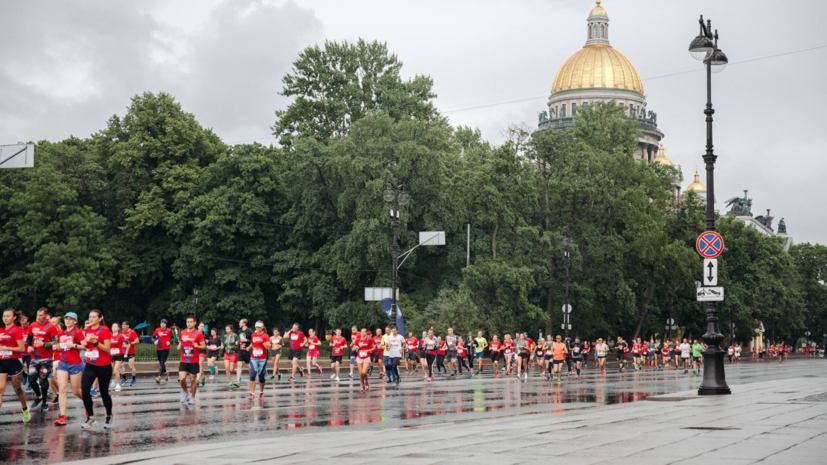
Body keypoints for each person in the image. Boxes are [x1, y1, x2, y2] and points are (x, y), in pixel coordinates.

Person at [81, 309, 114, 429]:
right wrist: (82, 345)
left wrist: (95, 343)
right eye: (90, 317)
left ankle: (109, 416)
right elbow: (84, 345)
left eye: (94, 317)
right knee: (84, 391)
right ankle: (90, 417)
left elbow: (107, 349)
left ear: (100, 319)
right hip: (90, 365)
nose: (91, 319)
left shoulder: (104, 330)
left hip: (104, 365)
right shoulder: (86, 330)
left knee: (104, 392)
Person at [53, 312, 85, 426]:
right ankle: (63, 416)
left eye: (71, 319)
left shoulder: (77, 333)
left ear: (75, 321)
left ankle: (88, 403)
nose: (68, 321)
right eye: (66, 319)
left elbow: (85, 346)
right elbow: (58, 347)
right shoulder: (60, 333)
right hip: (63, 363)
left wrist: (74, 346)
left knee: (75, 391)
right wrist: (55, 347)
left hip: (75, 364)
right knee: (62, 390)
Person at [1, 308, 31, 423]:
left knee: (17, 389)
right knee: (0, 389)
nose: (5, 318)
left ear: (14, 317)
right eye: (4, 316)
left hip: (14, 362)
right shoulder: (1, 330)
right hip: (2, 362)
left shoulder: (16, 330)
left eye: (8, 316)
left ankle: (25, 408)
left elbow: (21, 348)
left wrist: (5, 348)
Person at [27, 307, 59, 411]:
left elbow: (55, 342)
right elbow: (29, 338)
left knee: (43, 380)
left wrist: (44, 344)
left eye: (41, 315)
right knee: (31, 379)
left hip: (46, 358)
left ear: (46, 316)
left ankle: (44, 402)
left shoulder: (51, 327)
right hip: (34, 357)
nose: (39, 317)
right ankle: (39, 396)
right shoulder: (32, 325)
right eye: (38, 315)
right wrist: (29, 346)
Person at [178, 315, 206, 405]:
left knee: (192, 379)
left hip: (193, 360)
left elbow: (204, 346)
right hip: (184, 359)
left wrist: (197, 346)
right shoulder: (182, 332)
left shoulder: (198, 333)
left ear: (194, 323)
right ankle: (186, 392)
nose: (189, 323)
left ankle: (193, 397)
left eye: (190, 322)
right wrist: (179, 345)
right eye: (187, 322)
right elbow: (181, 342)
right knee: (182, 379)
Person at [248, 321, 271, 399]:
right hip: (253, 358)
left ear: (262, 327)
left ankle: (261, 392)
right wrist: (249, 347)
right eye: (256, 327)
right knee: (252, 374)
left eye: (258, 327)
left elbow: (268, 347)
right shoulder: (253, 335)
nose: (257, 328)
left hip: (262, 359)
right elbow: (253, 343)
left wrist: (262, 340)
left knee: (261, 376)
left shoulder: (265, 336)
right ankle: (252, 393)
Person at [353, 328, 374, 392]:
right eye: (362, 332)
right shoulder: (357, 340)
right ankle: (362, 385)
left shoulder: (369, 340)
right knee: (360, 373)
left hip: (366, 357)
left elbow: (373, 347)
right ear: (360, 333)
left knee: (364, 372)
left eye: (364, 332)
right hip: (359, 357)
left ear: (366, 333)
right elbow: (353, 348)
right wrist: (355, 348)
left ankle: (366, 382)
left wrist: (368, 350)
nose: (363, 333)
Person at [152, 319, 172, 384]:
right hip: (159, 348)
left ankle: (159, 377)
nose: (162, 324)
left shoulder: (169, 330)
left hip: (166, 348)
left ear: (166, 324)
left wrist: (169, 342)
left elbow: (172, 337)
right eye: (161, 323)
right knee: (161, 363)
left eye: (164, 323)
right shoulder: (157, 330)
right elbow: (153, 337)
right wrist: (154, 341)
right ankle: (166, 373)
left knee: (162, 361)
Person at [120, 321, 139, 387]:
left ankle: (134, 379)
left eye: (125, 325)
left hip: (130, 352)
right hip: (123, 351)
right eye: (122, 325)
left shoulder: (132, 332)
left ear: (128, 326)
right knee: (120, 365)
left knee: (131, 366)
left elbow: (137, 341)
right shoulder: (121, 332)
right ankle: (124, 378)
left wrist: (130, 343)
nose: (123, 327)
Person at [236, 319, 254, 386]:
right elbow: (239, 339)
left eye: (240, 322)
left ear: (244, 323)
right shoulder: (239, 331)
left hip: (247, 350)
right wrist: (237, 342)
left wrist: (247, 340)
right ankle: (238, 380)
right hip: (240, 349)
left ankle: (252, 378)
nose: (239, 324)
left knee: (248, 365)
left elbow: (253, 340)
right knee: (239, 365)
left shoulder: (249, 330)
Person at [109, 323, 125, 392]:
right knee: (110, 370)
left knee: (116, 370)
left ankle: (118, 384)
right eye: (112, 327)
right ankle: (113, 380)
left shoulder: (120, 336)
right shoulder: (109, 336)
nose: (113, 328)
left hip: (119, 355)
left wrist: (125, 352)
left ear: (118, 328)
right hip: (111, 355)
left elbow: (127, 343)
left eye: (115, 327)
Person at [196, 322, 208, 387]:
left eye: (203, 326)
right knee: (200, 366)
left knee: (199, 364)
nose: (202, 327)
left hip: (202, 351)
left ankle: (197, 379)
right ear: (198, 326)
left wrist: (206, 342)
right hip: (196, 350)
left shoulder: (205, 334)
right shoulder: (195, 333)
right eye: (200, 326)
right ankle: (203, 377)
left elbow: (207, 342)